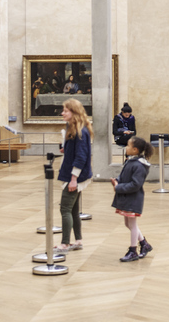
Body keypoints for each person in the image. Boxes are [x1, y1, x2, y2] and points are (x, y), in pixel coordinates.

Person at [54, 98, 93, 253]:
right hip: (74, 174)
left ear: (74, 112)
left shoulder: (81, 131)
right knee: (74, 210)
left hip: (76, 176)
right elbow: (76, 152)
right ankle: (77, 241)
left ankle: (65, 243)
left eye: (65, 110)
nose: (62, 113)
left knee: (65, 209)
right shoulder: (74, 128)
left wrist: (73, 179)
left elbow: (81, 156)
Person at [111, 136, 154, 261]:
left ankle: (133, 250)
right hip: (127, 198)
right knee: (127, 223)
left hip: (133, 198)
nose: (126, 147)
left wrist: (119, 187)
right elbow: (124, 176)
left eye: (128, 146)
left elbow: (136, 184)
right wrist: (117, 181)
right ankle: (144, 244)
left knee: (133, 225)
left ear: (135, 150)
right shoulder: (130, 161)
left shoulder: (139, 166)